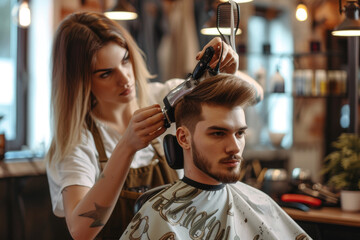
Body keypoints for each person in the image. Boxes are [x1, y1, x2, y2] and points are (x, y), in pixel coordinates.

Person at [45, 11, 251, 240]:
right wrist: (126, 146)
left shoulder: (166, 99)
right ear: (81, 83)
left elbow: (257, 93)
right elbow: (80, 230)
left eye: (125, 60)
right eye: (106, 74)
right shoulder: (78, 141)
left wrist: (228, 71)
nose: (124, 78)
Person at [120, 73, 311, 240]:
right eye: (218, 134)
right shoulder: (159, 216)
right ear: (184, 138)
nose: (234, 147)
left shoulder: (259, 202)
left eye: (240, 133)